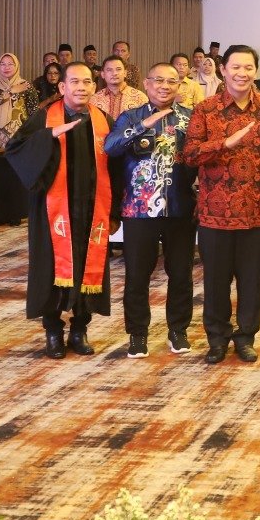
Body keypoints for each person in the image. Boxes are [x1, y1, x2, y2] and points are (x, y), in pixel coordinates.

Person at [181, 45, 260, 365]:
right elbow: (189, 155)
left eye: (248, 68)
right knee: (216, 280)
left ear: (255, 71)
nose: (242, 73)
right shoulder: (206, 110)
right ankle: (217, 338)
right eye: (236, 67)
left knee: (252, 280)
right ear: (223, 70)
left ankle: (246, 337)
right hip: (215, 212)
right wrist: (223, 144)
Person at [5, 62, 116, 358]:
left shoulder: (102, 120)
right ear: (62, 86)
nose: (82, 87)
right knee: (51, 270)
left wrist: (115, 211)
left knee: (88, 266)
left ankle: (80, 329)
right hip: (53, 212)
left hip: (92, 208)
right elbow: (14, 149)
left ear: (94, 86)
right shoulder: (44, 117)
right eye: (75, 82)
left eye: (87, 82)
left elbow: (117, 164)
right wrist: (49, 136)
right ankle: (53, 331)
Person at [105, 61, 197, 357]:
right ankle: (137, 334)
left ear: (179, 85)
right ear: (146, 84)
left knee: (181, 274)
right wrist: (142, 127)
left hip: (180, 208)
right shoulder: (130, 116)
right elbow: (111, 147)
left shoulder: (191, 118)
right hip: (139, 209)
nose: (164, 86)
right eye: (158, 80)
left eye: (171, 81)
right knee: (137, 275)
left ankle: (178, 330)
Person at [0, 53, 40, 227]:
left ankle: (17, 214)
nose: (6, 67)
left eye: (10, 64)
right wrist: (10, 92)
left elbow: (33, 113)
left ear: (17, 66)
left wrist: (30, 136)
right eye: (3, 64)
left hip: (19, 138)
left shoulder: (26, 86)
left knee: (16, 175)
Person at [91, 55, 144, 120]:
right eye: (109, 70)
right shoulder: (94, 100)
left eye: (118, 69)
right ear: (103, 74)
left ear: (125, 73)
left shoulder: (140, 98)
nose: (114, 73)